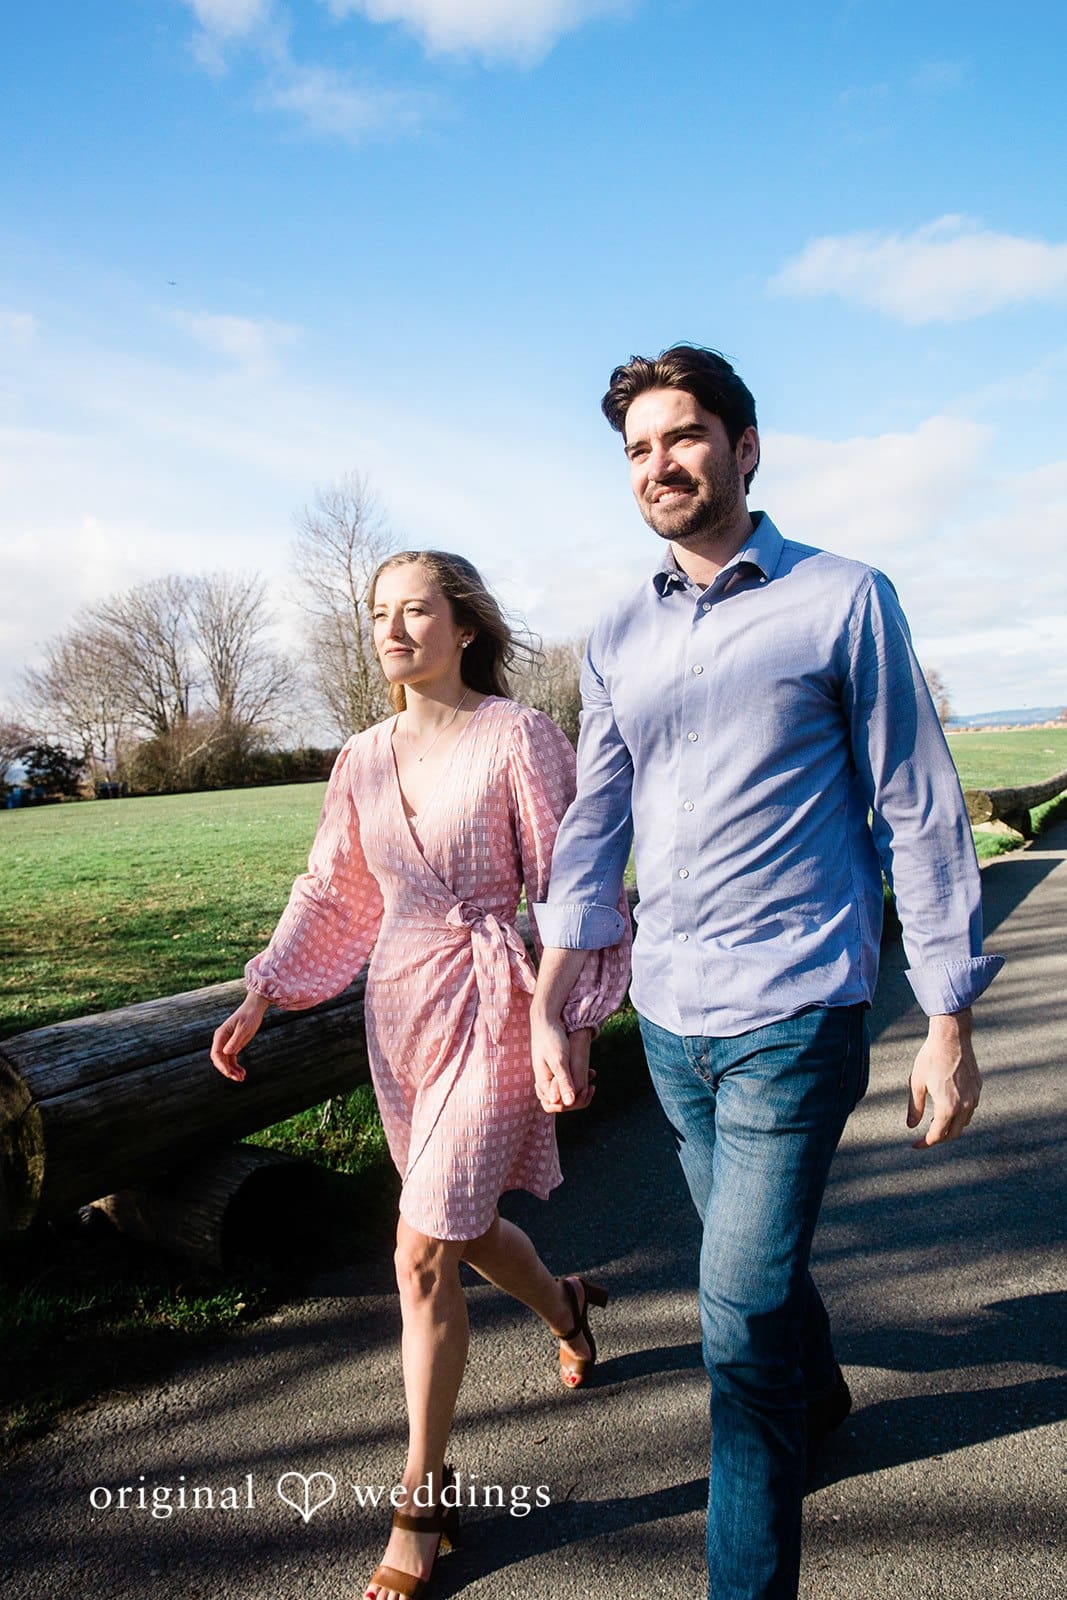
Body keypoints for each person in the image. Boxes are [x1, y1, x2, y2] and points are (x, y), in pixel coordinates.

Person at [529, 345, 1003, 1600]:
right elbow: (591, 825)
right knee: (760, 1278)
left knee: (731, 1326)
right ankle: (826, 1389)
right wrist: (561, 1003)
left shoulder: (842, 598)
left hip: (796, 1010)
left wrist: (946, 1016)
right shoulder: (617, 630)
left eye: (680, 437)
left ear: (743, 446)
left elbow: (919, 805)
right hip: (669, 1020)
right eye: (634, 448)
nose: (657, 465)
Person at [210, 550, 629, 1600]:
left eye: (416, 611)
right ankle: (567, 1307)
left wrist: (569, 1020)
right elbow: (333, 890)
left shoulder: (519, 736)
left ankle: (421, 1499)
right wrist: (265, 986)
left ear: (465, 626)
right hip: (397, 1013)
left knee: (420, 1248)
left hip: (492, 1002)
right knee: (462, 1227)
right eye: (379, 613)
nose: (393, 630)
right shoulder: (359, 755)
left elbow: (569, 885)